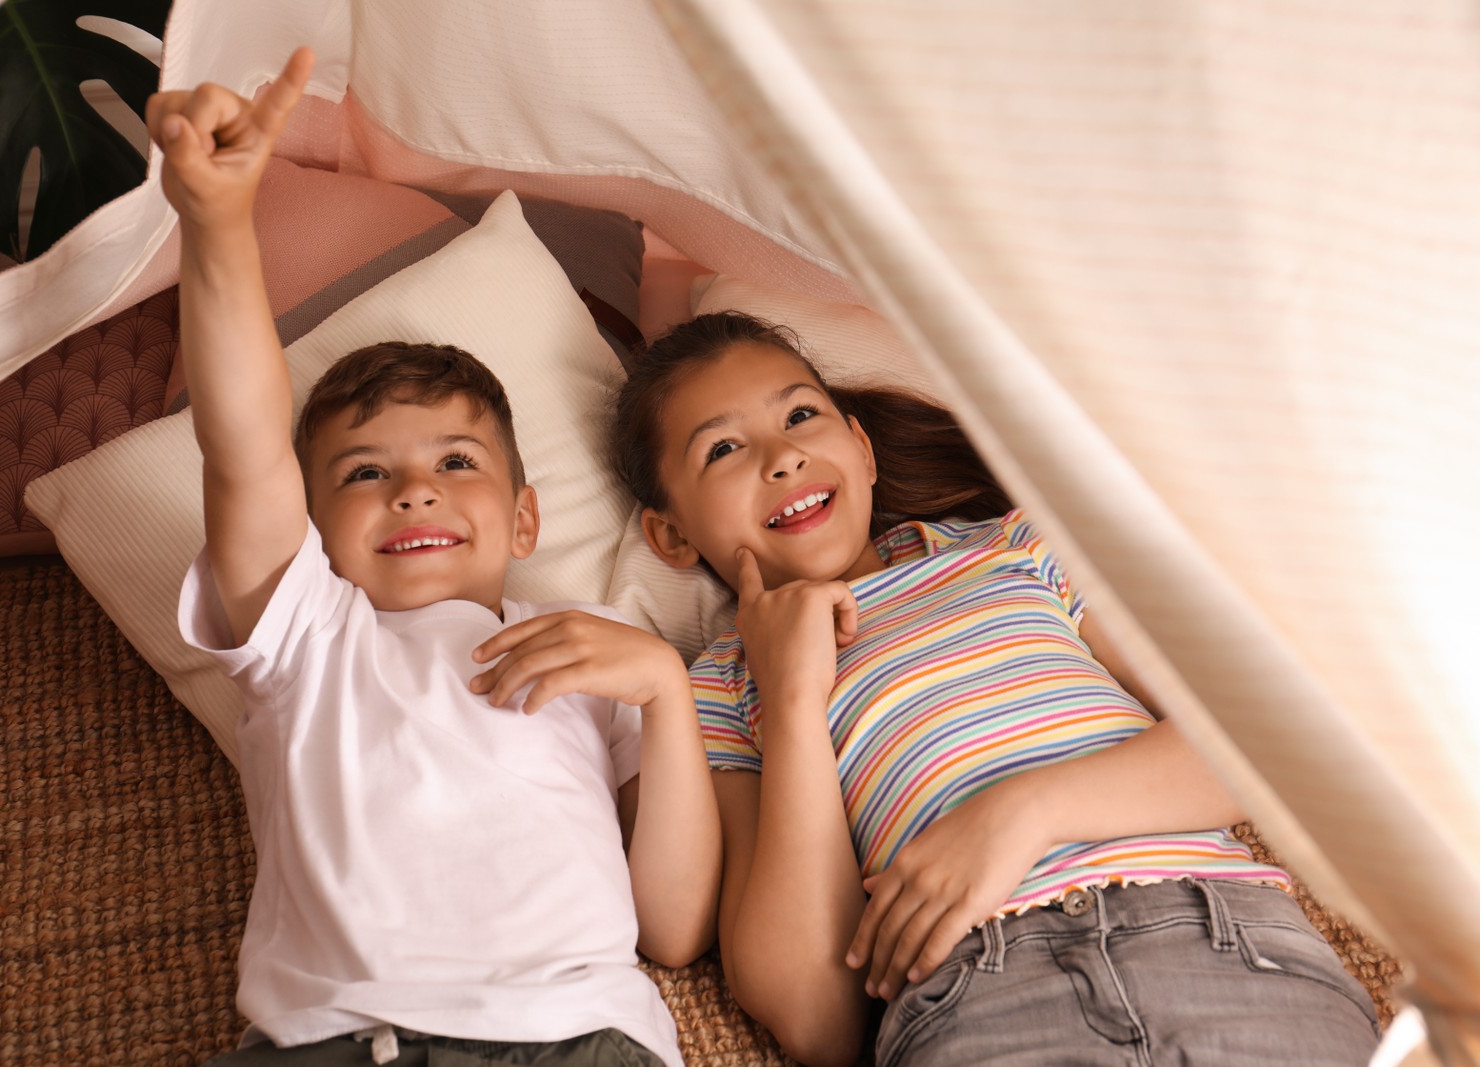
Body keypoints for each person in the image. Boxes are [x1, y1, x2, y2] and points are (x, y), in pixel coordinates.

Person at [149, 48, 721, 1067]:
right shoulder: (305, 634)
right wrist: (218, 223)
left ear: (525, 519)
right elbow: (239, 444)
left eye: (455, 461)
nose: (413, 488)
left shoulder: (596, 657)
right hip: (335, 1037)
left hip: (577, 1034)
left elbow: (672, 929)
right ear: (315, 531)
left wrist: (667, 693)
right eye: (364, 472)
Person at [614, 311, 1381, 1067]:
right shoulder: (718, 687)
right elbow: (816, 1018)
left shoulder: (1018, 548)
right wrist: (788, 699)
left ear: (861, 448)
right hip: (980, 993)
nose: (781, 458)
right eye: (723, 448)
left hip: (1225, 941)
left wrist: (1025, 812)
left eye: (801, 415)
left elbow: (1261, 741)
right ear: (671, 535)